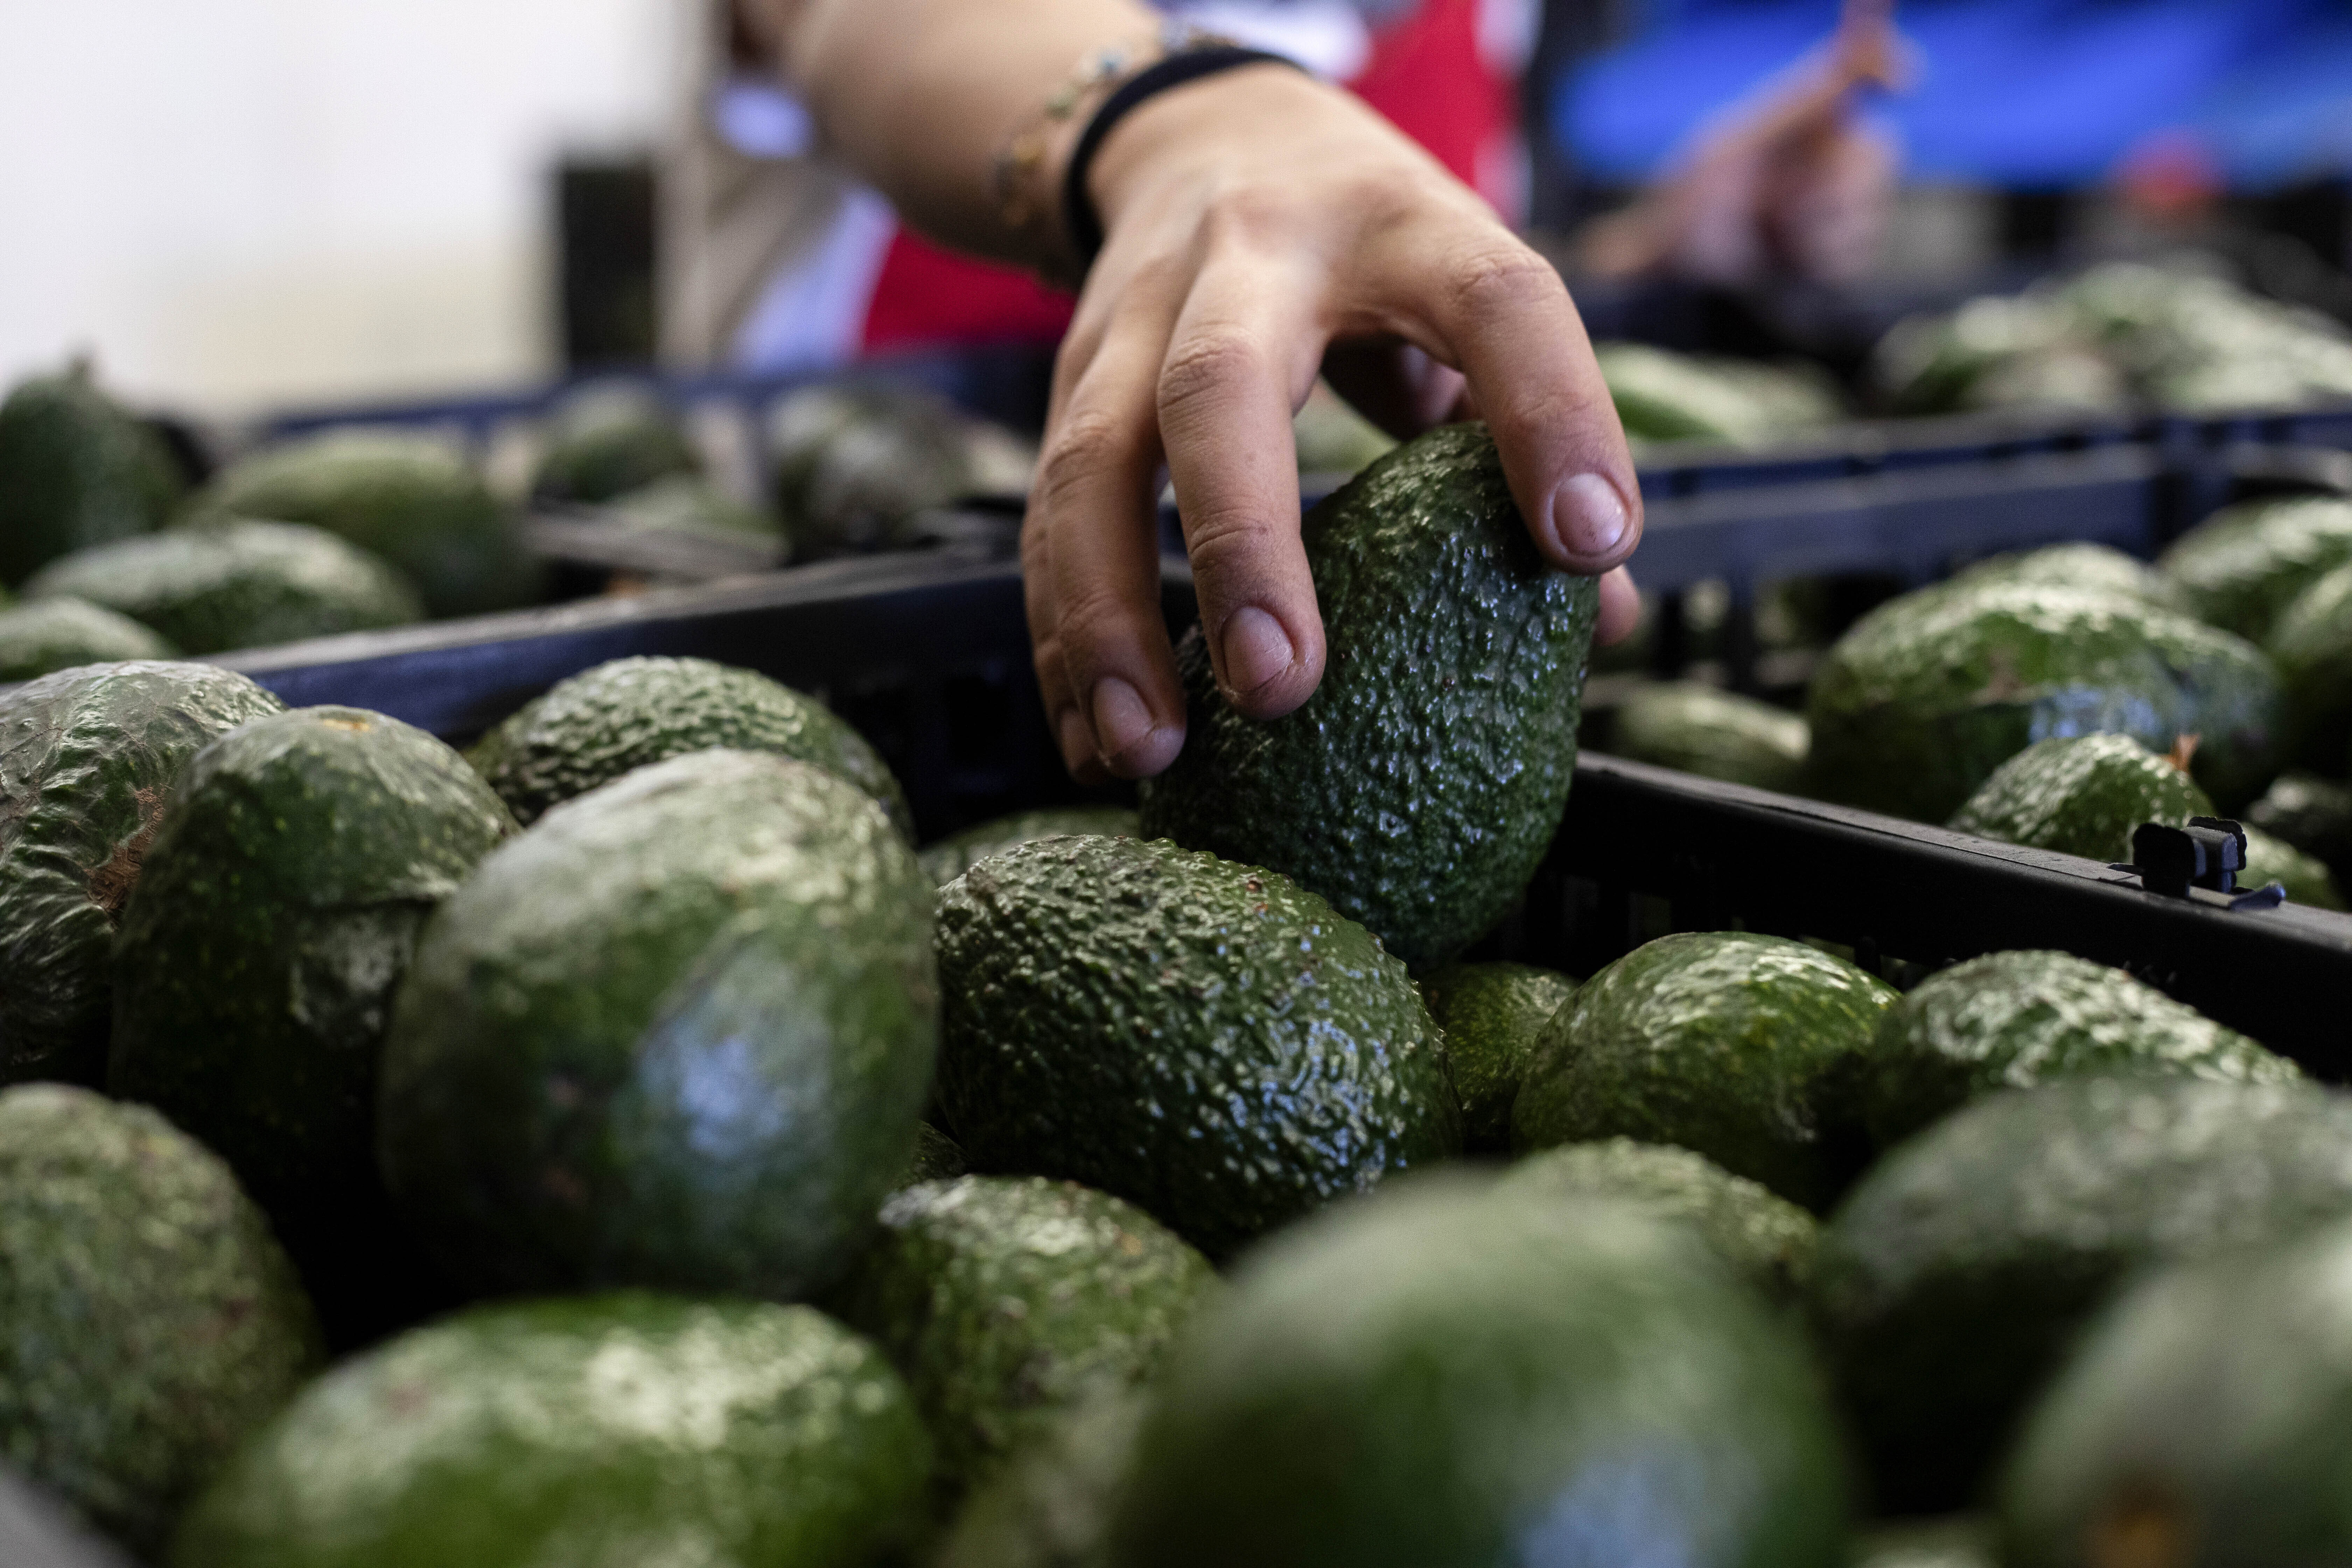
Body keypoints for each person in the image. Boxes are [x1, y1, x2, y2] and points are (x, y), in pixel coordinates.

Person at [694, 0, 1894, 783]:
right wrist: (1162, 124)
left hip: (1278, 689)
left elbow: (1387, 329)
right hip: (842, 604)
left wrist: (1660, 259)